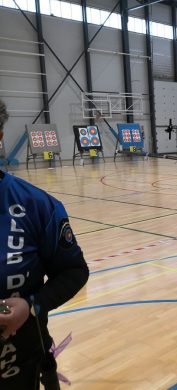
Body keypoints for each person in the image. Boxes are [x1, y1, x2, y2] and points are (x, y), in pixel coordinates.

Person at [0, 100, 89, 389]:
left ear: (0, 136)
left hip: (19, 365)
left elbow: (75, 271)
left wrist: (32, 305)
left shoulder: (36, 206)